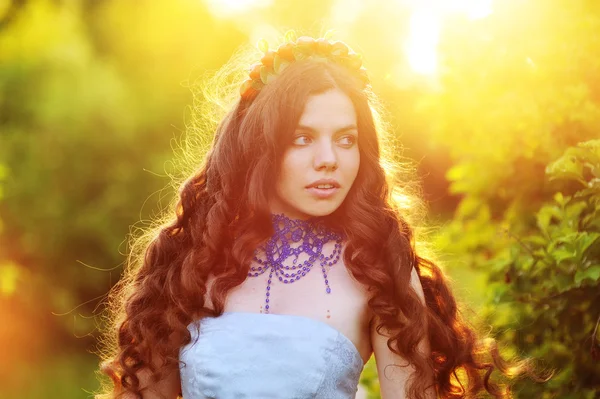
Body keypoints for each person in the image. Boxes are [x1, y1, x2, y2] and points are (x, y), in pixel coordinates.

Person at [95, 32, 539, 399]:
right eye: (302, 138)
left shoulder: (379, 265)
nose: (329, 159)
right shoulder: (191, 259)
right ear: (260, 147)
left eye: (345, 140)